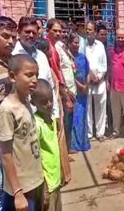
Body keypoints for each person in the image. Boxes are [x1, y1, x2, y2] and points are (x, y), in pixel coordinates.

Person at [0, 54, 44, 211]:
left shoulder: (27, 102)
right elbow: (6, 154)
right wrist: (17, 192)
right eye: (29, 75)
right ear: (12, 76)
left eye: (36, 75)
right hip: (20, 189)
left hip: (36, 181)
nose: (35, 80)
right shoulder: (6, 110)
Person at [12, 16, 60, 120]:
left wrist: (56, 114)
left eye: (34, 32)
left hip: (46, 116)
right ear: (19, 32)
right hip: (23, 116)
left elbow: (50, 85)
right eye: (27, 32)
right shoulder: (13, 55)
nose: (31, 35)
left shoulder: (41, 56)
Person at [45, 18, 72, 183]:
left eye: (60, 31)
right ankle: (59, 174)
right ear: (48, 31)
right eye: (55, 31)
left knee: (59, 131)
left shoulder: (56, 47)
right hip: (53, 94)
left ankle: (61, 171)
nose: (58, 34)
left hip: (58, 91)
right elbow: (56, 75)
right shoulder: (49, 48)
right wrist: (65, 94)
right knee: (58, 131)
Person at [31, 79, 62, 211]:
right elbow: (35, 159)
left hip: (55, 180)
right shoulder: (36, 125)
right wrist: (43, 189)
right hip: (46, 185)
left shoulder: (51, 119)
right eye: (44, 102)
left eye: (50, 100)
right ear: (33, 103)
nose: (49, 104)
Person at [0, 16, 17, 211]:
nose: (10, 41)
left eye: (13, 37)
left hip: (12, 133)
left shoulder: (12, 62)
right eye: (5, 36)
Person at [55, 20, 77, 151]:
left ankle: (68, 147)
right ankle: (65, 150)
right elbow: (58, 71)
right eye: (59, 31)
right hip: (65, 91)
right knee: (65, 121)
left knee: (69, 120)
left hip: (71, 89)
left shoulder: (64, 47)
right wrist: (66, 93)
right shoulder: (56, 48)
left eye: (64, 31)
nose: (62, 34)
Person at [85, 20, 108, 142]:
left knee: (100, 107)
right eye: (87, 29)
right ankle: (89, 133)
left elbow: (104, 63)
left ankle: (100, 133)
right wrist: (89, 76)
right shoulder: (82, 45)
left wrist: (99, 77)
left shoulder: (100, 45)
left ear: (95, 31)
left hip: (100, 80)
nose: (88, 32)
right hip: (87, 81)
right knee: (88, 108)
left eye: (90, 29)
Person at [69, 32, 91, 152]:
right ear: (69, 43)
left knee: (83, 117)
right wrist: (80, 86)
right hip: (74, 92)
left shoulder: (83, 57)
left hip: (84, 92)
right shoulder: (68, 58)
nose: (76, 45)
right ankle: (74, 144)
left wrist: (86, 85)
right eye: (74, 42)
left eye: (78, 43)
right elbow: (70, 75)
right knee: (75, 118)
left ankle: (84, 142)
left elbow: (88, 72)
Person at [96, 23, 113, 135]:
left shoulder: (109, 47)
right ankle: (96, 128)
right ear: (97, 34)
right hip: (95, 80)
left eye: (105, 34)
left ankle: (110, 127)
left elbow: (109, 66)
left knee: (109, 105)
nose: (104, 37)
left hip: (107, 80)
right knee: (97, 106)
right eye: (101, 34)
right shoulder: (93, 47)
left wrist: (108, 80)